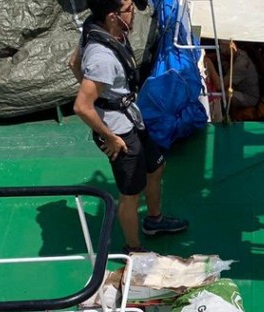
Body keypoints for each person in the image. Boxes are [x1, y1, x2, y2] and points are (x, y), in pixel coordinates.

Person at [72, 0, 188, 252]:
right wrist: (110, 137)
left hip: (130, 118)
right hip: (119, 132)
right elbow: (82, 106)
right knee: (130, 195)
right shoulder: (102, 58)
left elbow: (73, 63)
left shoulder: (96, 28)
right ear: (113, 16)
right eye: (129, 10)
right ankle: (133, 249)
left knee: (156, 167)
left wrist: (104, 96)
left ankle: (154, 221)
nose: (134, 13)